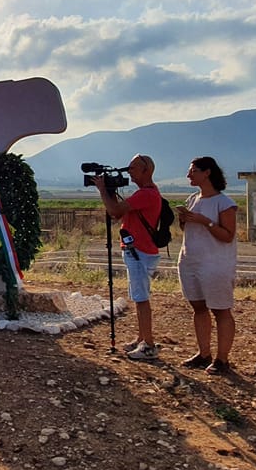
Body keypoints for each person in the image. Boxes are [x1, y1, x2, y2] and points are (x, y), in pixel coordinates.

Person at [92, 155, 168, 360]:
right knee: (138, 297)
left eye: (133, 168)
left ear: (146, 170)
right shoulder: (145, 194)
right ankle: (141, 338)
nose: (129, 172)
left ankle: (149, 345)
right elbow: (118, 214)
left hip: (139, 252)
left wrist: (102, 190)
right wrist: (110, 191)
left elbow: (114, 210)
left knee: (141, 299)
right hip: (137, 251)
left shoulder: (146, 194)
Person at [175, 157, 237, 374]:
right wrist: (185, 219)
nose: (189, 175)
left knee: (221, 310)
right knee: (198, 308)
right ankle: (203, 353)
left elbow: (228, 236)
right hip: (191, 260)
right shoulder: (193, 198)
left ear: (207, 172)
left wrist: (205, 221)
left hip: (215, 264)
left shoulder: (224, 202)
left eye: (193, 171)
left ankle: (222, 359)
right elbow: (190, 231)